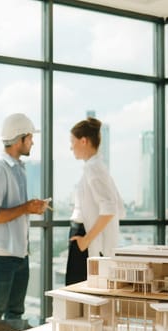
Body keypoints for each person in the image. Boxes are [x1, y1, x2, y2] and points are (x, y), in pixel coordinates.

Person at [0, 113, 49, 331]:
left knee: (15, 315)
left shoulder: (19, 169)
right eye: (30, 138)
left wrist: (30, 208)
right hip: (1, 255)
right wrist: (26, 207)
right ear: (21, 139)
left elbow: (14, 209)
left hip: (19, 252)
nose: (33, 142)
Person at [66, 117, 125, 286]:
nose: (71, 147)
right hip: (83, 236)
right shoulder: (94, 167)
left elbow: (110, 209)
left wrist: (86, 240)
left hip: (86, 239)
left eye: (73, 142)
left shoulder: (94, 169)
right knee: (78, 291)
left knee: (79, 291)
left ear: (83, 141)